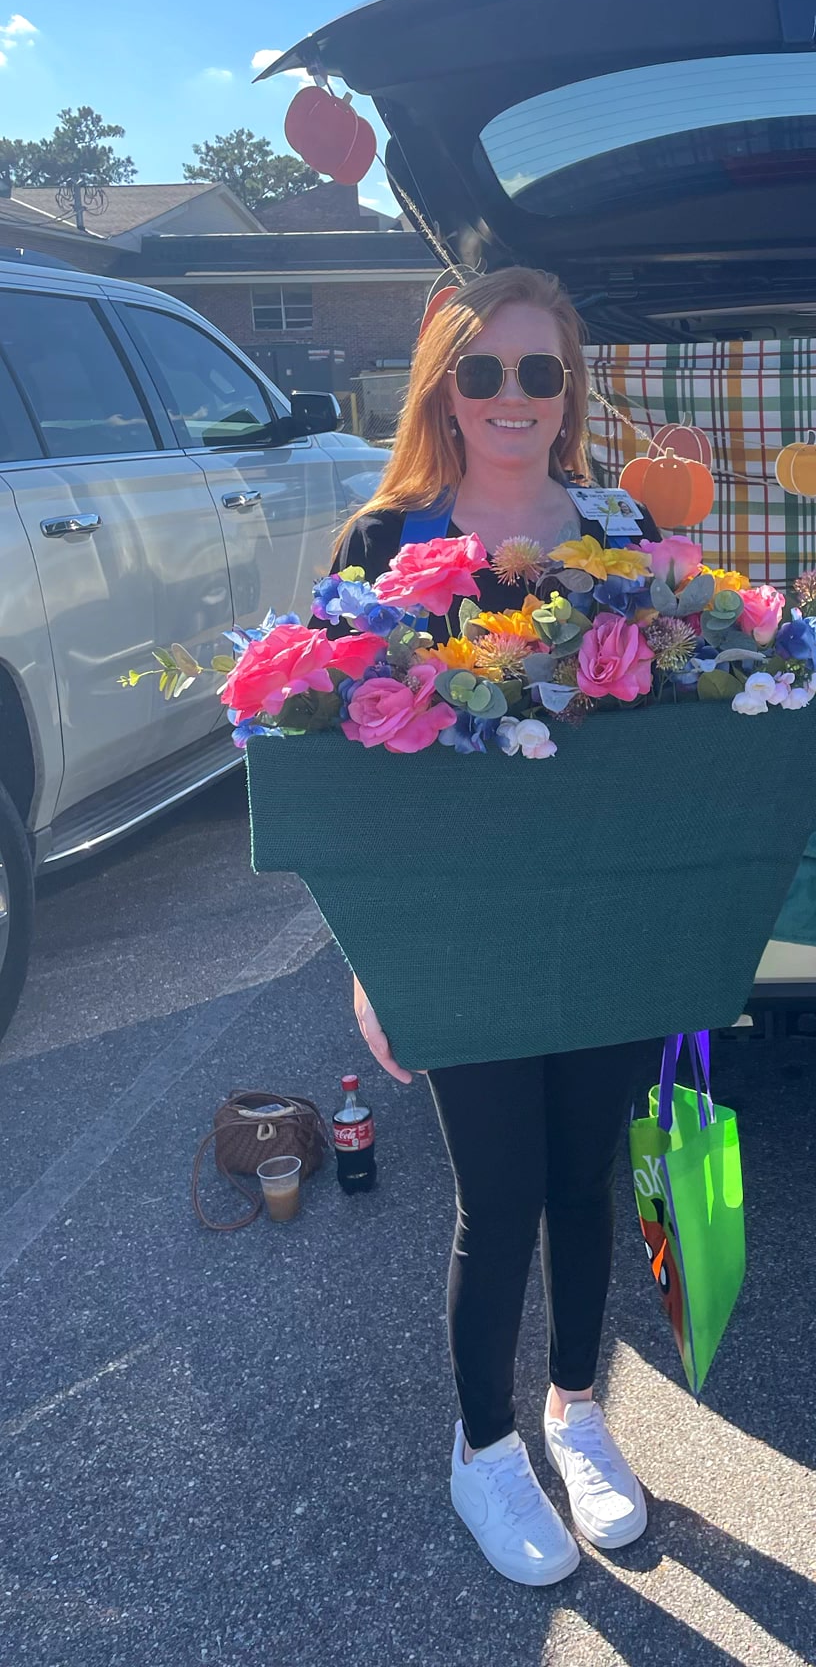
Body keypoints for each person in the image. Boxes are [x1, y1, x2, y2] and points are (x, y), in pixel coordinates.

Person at [331, 266, 658, 1588]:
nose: (515, 397)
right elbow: (340, 782)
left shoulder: (617, 529)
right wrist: (372, 965)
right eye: (488, 373)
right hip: (460, 934)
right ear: (445, 390)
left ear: (569, 390)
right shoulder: (383, 545)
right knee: (502, 1192)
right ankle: (482, 1448)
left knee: (585, 1178)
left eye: (542, 372)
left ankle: (579, 1412)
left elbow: (667, 742)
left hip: (601, 922)